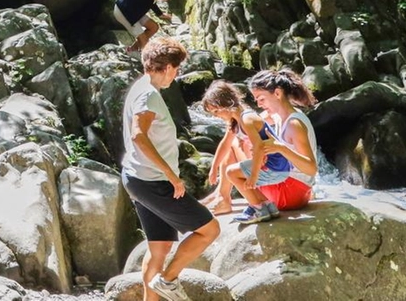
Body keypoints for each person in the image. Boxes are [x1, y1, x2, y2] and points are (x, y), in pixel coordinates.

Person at [122, 37, 220, 301]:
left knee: (160, 247)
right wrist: (171, 175)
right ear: (166, 68)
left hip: (137, 179)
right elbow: (138, 136)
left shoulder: (140, 87)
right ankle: (167, 281)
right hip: (152, 182)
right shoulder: (148, 96)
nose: (175, 76)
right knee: (209, 230)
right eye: (176, 70)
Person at [223, 68, 319, 223]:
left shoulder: (294, 124)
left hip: (292, 193)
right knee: (240, 144)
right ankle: (234, 199)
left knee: (233, 171)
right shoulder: (276, 116)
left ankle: (257, 206)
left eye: (261, 99)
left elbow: (312, 169)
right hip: (297, 189)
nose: (259, 105)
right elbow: (251, 123)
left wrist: (281, 148)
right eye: (256, 100)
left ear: (277, 93)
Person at [199, 80, 261, 216]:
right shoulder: (235, 120)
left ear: (226, 103)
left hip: (260, 170)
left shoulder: (246, 119)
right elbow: (224, 143)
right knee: (231, 144)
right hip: (254, 166)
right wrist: (214, 168)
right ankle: (220, 194)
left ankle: (223, 197)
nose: (216, 116)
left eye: (216, 111)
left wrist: (254, 175)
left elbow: (259, 148)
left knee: (234, 145)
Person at [115, 0, 180, 52]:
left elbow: (151, 3)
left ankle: (131, 50)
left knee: (153, 27)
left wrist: (160, 14)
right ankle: (146, 59)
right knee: (144, 41)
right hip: (124, 12)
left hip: (133, 10)